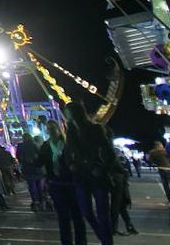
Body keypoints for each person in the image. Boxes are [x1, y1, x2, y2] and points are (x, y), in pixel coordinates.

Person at [65, 100, 114, 245]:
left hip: (96, 174)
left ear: (74, 113)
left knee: (103, 214)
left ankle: (107, 241)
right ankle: (104, 236)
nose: (65, 114)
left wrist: (102, 169)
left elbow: (110, 153)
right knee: (86, 211)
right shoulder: (71, 131)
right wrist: (70, 164)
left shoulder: (95, 129)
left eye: (67, 111)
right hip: (80, 175)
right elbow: (68, 152)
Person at [40, 121, 86, 245]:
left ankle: (81, 242)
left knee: (77, 216)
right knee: (63, 217)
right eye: (48, 129)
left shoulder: (67, 144)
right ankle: (66, 242)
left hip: (72, 183)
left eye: (53, 128)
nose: (51, 131)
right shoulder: (45, 145)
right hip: (56, 185)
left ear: (59, 129)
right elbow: (41, 162)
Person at [108, 131, 138, 236]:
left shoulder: (110, 148)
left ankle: (122, 226)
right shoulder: (112, 149)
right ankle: (122, 226)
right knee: (118, 203)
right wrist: (124, 172)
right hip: (117, 178)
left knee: (118, 204)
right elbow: (118, 164)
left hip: (116, 178)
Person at [18, 133, 46, 211]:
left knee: (31, 185)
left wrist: (24, 161)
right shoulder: (34, 145)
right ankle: (41, 200)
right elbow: (40, 154)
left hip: (27, 168)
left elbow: (19, 157)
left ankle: (35, 200)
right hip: (36, 168)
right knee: (39, 185)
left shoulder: (21, 146)